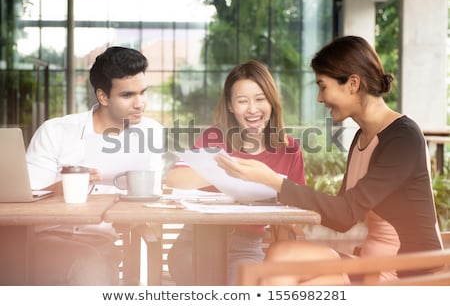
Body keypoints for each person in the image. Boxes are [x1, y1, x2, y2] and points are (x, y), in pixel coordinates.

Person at [215, 36, 443, 285]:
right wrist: (270, 186)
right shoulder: (362, 137)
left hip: (407, 273)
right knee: (281, 254)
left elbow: (344, 214)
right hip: (370, 263)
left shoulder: (403, 138)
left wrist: (275, 181)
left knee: (292, 281)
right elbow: (341, 213)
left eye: (323, 86)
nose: (320, 98)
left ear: (353, 84)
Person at [26, 46, 164, 285]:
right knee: (90, 265)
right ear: (103, 97)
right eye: (127, 95)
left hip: (103, 242)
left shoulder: (149, 132)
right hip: (47, 239)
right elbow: (27, 200)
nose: (140, 103)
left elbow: (150, 198)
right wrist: (69, 186)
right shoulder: (55, 131)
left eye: (143, 92)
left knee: (95, 264)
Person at [165, 60, 306, 285]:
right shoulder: (215, 137)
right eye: (242, 101)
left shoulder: (289, 149)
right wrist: (225, 170)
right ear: (231, 106)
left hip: (246, 247)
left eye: (260, 99)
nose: (252, 109)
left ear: (272, 101)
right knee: (206, 281)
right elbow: (175, 178)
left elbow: (300, 207)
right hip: (197, 242)